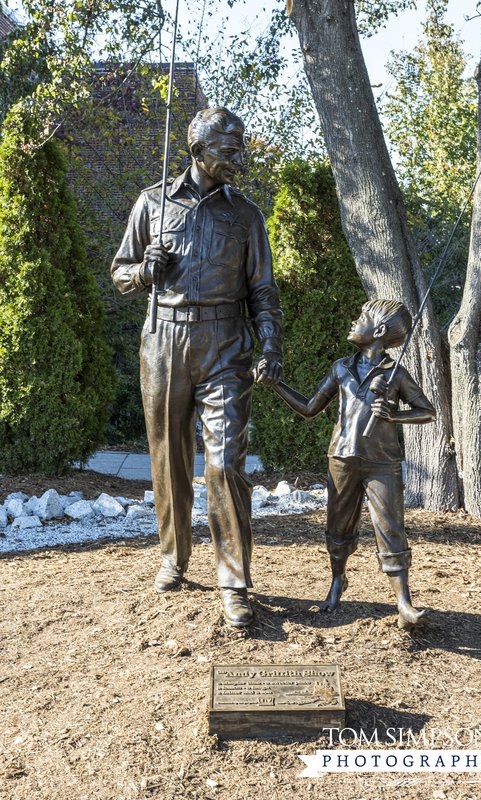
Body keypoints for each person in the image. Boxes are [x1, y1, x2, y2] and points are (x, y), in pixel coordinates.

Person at [111, 107, 283, 627]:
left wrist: (271, 344)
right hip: (164, 339)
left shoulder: (245, 214)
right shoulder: (152, 204)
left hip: (226, 344)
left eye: (241, 149)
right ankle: (174, 556)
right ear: (198, 151)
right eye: (230, 151)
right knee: (169, 457)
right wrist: (144, 270)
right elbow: (119, 275)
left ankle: (234, 579)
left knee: (226, 461)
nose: (240, 159)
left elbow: (263, 290)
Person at [263, 299, 435, 630]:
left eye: (361, 318)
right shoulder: (341, 368)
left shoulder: (395, 373)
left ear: (380, 331)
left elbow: (427, 411)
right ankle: (337, 580)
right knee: (338, 528)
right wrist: (276, 385)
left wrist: (395, 414)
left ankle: (404, 605)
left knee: (390, 528)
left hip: (382, 463)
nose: (353, 322)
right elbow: (311, 407)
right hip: (341, 458)